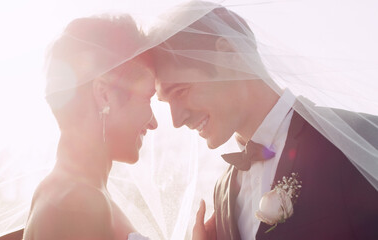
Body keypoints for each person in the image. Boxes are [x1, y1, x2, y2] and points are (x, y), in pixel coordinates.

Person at [150, 1, 378, 240]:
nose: (176, 120)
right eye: (167, 103)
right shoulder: (223, 192)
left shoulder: (357, 137)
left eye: (180, 91)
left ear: (228, 54)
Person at [19, 15, 157, 240]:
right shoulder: (79, 203)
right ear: (104, 95)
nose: (154, 122)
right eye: (148, 98)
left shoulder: (68, 190)